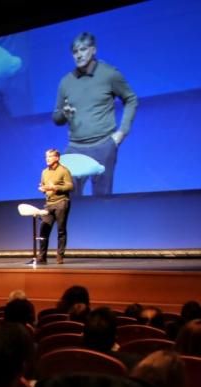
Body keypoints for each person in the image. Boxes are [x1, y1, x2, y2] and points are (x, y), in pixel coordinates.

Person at [52, 32, 138, 197]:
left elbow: (131, 99)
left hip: (103, 145)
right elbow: (56, 118)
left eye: (83, 49)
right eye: (75, 51)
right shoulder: (66, 82)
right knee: (66, 199)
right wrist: (64, 114)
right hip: (75, 148)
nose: (79, 55)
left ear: (93, 50)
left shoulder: (109, 74)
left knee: (102, 201)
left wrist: (122, 132)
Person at [37, 148, 74, 264]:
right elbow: (43, 185)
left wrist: (56, 187)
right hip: (49, 204)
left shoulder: (64, 170)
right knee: (44, 230)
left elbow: (70, 186)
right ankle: (42, 256)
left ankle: (60, 256)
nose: (47, 159)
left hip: (61, 202)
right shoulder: (44, 172)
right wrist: (42, 189)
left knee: (61, 230)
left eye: (50, 156)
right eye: (46, 157)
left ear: (57, 158)